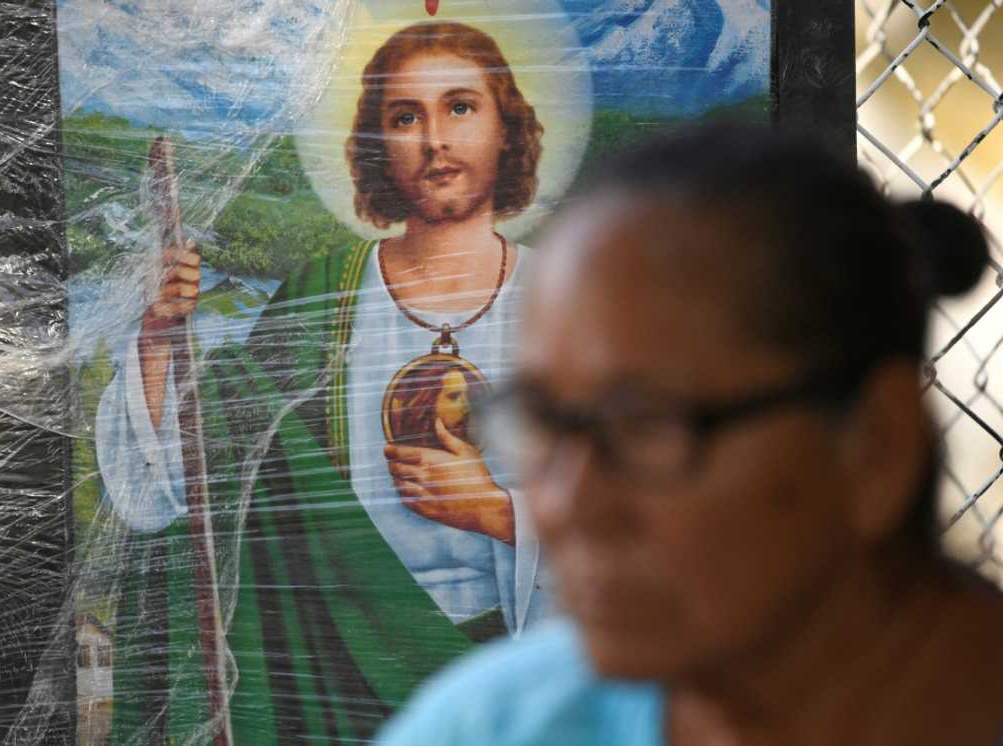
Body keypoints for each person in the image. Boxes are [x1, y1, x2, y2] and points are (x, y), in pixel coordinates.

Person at [374, 124, 1003, 745]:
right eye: (544, 421)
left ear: (874, 450)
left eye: (646, 425)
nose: (566, 505)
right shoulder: (496, 725)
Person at [95, 20, 553, 743]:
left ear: (507, 127)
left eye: (460, 107)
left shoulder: (572, 303)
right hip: (331, 684)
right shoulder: (324, 293)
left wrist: (497, 511)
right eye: (405, 117)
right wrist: (157, 335)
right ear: (377, 147)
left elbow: (648, 512)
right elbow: (193, 480)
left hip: (519, 684)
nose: (435, 139)